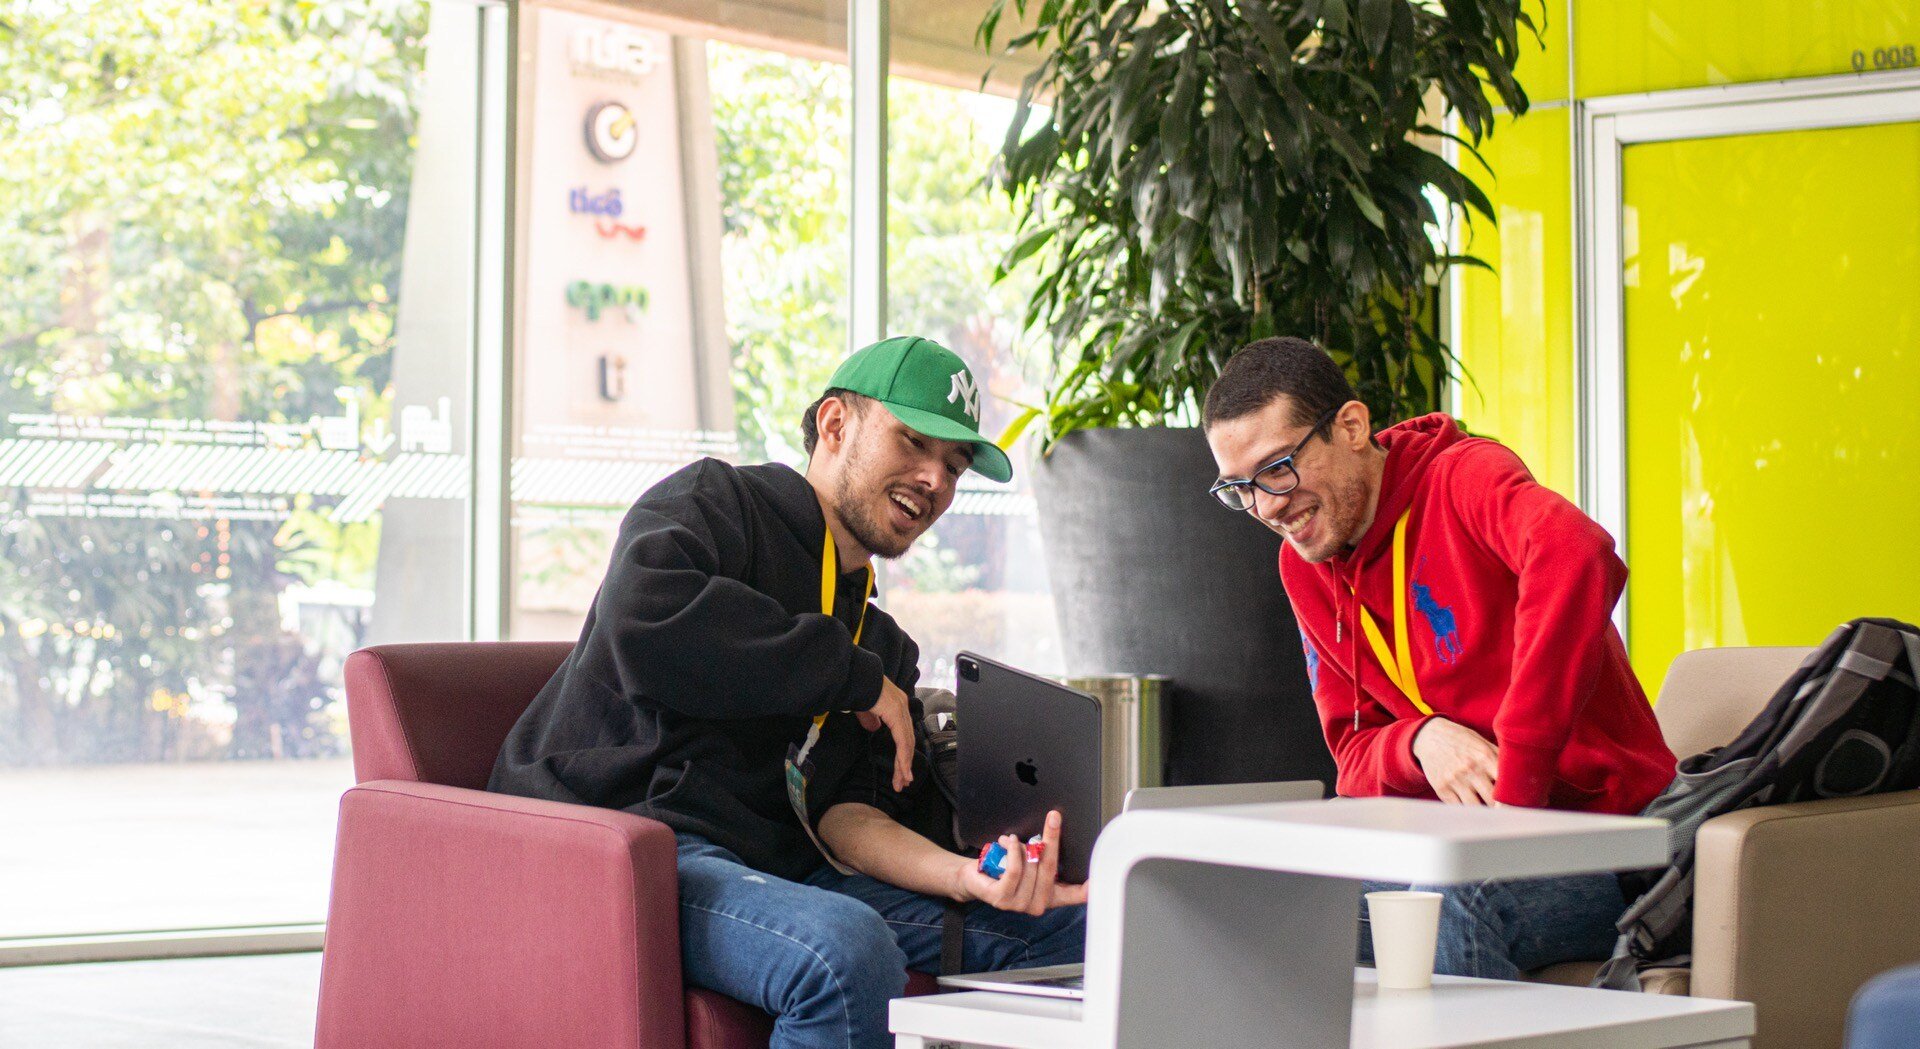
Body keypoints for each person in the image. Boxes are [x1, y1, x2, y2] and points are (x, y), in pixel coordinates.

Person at [490, 336, 1085, 1049]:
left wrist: (970, 876)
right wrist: (853, 676)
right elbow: (641, 619)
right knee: (845, 952)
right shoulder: (718, 503)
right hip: (629, 841)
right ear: (835, 425)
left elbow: (843, 814)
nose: (934, 478)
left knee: (1074, 929)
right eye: (914, 442)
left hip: (769, 869)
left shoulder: (880, 640)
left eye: (953, 466)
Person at [1200, 336, 1675, 981]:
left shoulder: (1463, 478)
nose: (1268, 506)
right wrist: (1421, 741)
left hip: (1602, 844)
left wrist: (1518, 794)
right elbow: (1354, 761)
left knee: (1438, 900)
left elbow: (1576, 552)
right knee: (1258, 894)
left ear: (1351, 426)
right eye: (1240, 489)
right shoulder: (1304, 568)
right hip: (1456, 844)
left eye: (1278, 467)